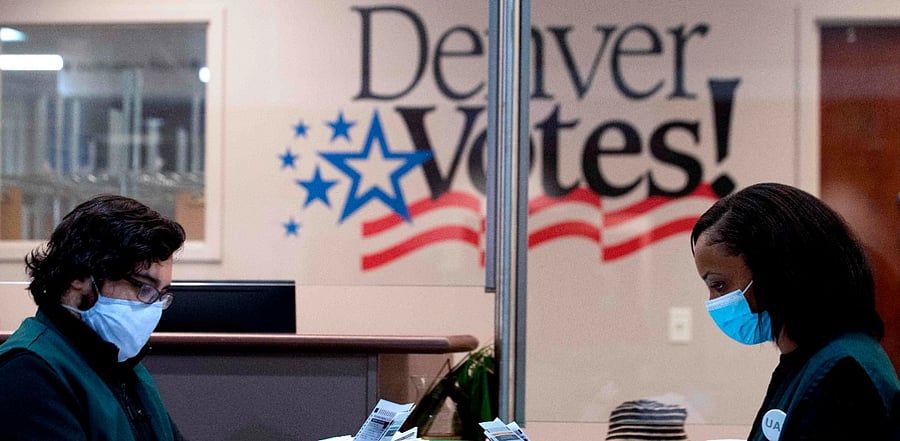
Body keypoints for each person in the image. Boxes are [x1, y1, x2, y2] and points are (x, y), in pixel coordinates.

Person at [691, 182, 900, 440]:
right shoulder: (807, 361)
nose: (714, 301)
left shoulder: (842, 374)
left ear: (776, 271)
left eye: (719, 285)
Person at [0, 194, 188, 440]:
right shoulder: (28, 372)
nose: (152, 307)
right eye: (143, 287)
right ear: (79, 276)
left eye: (160, 294)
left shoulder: (123, 368)